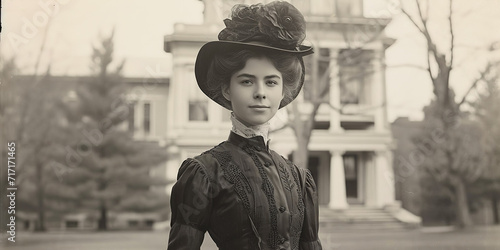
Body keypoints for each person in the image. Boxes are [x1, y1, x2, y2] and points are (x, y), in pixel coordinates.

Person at [167, 1, 322, 249]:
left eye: (271, 82)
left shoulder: (298, 178)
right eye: (247, 82)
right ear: (227, 89)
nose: (261, 93)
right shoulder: (205, 172)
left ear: (283, 91)